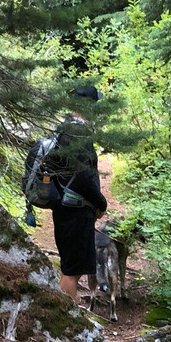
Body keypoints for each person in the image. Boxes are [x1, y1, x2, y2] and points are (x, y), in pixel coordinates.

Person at [48, 104, 107, 298]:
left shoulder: (62, 132)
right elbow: (84, 177)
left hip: (63, 208)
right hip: (76, 212)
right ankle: (66, 318)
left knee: (71, 267)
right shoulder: (79, 135)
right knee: (72, 271)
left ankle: (66, 313)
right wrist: (101, 203)